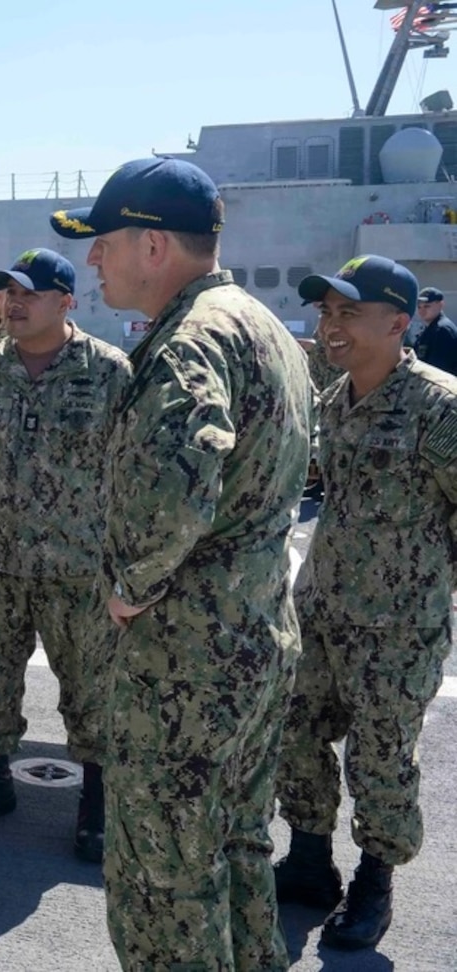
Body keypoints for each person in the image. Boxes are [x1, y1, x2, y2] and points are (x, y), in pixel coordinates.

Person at [50, 157, 312, 971]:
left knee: (165, 880)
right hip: (255, 636)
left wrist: (129, 586)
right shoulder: (259, 325)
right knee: (232, 850)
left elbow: (173, 489)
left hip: (187, 663)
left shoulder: (188, 344)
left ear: (153, 245)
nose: (93, 260)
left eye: (103, 242)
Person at [274, 257, 457, 951]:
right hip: (320, 605)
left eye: (349, 312)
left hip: (397, 625)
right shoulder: (335, 399)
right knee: (295, 730)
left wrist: (430, 591)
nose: (331, 326)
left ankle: (374, 886)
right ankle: (310, 861)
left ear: (399, 322)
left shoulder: (440, 408)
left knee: (381, 758)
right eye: (326, 313)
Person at [0, 248, 131, 863]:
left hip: (80, 570)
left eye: (29, 293)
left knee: (92, 689)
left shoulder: (111, 373)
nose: (15, 303)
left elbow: (130, 467)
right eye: (8, 293)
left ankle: (97, 801)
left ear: (66, 302)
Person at [411, 286, 457, 375]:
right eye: (419, 307)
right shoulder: (429, 329)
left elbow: (437, 369)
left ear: (440, 305)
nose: (422, 310)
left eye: (427, 306)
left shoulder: (442, 330)